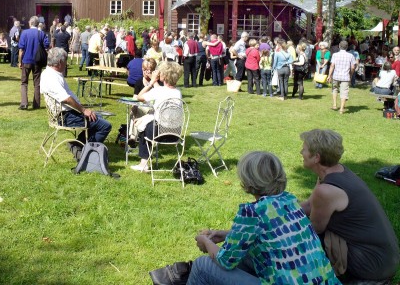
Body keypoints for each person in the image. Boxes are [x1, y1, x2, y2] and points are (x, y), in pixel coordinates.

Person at [150, 151, 340, 285]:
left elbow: (225, 260)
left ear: (247, 183)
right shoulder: (288, 200)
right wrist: (225, 234)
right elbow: (266, 232)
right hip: (322, 280)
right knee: (244, 253)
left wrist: (205, 242)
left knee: (203, 265)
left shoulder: (252, 212)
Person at [298, 129, 399, 281]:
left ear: (316, 157)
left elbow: (314, 229)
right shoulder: (337, 171)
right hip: (385, 257)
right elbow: (309, 205)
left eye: (304, 149)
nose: (301, 152)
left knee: (302, 240)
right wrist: (280, 210)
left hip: (372, 264)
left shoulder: (326, 191)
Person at [40, 47, 112, 160]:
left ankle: (78, 145)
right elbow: (66, 99)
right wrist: (83, 110)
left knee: (98, 118)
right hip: (66, 117)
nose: (66, 64)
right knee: (105, 125)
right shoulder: (52, 77)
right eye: (65, 61)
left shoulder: (49, 72)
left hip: (65, 113)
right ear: (59, 62)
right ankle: (84, 151)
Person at [130, 61, 183, 172]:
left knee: (143, 127)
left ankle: (143, 164)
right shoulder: (178, 92)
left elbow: (139, 97)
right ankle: (144, 163)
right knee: (146, 121)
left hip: (159, 133)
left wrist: (151, 82)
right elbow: (162, 91)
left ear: (164, 76)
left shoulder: (159, 91)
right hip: (175, 133)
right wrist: (154, 82)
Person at [18, 15, 50, 110]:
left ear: (30, 23)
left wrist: (20, 61)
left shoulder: (24, 33)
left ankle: (24, 103)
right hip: (38, 61)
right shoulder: (41, 34)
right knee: (37, 83)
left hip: (26, 60)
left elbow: (21, 50)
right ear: (38, 24)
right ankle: (36, 104)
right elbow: (47, 46)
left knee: (24, 82)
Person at [327, 40, 356, 114]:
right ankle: (341, 109)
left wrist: (329, 75)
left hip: (336, 75)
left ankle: (334, 105)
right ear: (347, 47)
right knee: (344, 92)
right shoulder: (351, 56)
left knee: (334, 89)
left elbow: (332, 65)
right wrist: (351, 75)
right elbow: (353, 67)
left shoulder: (335, 55)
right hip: (346, 76)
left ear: (339, 46)